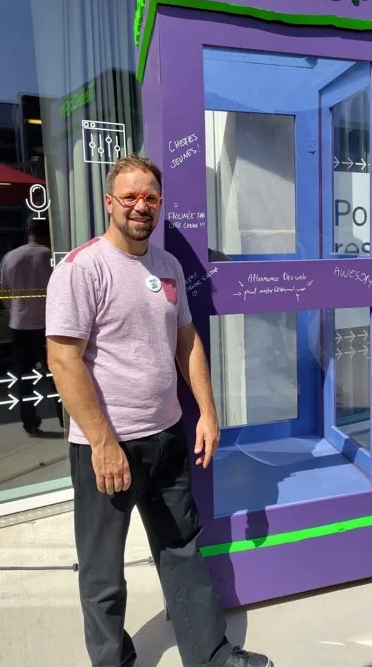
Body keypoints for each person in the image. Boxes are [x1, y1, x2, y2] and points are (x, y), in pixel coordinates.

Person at [45, 155, 272, 667]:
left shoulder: (167, 266)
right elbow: (63, 359)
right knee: (103, 574)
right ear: (109, 202)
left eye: (150, 197)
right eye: (129, 196)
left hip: (167, 435)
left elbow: (187, 342)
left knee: (183, 550)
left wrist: (207, 412)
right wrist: (103, 444)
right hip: (108, 447)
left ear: (160, 203)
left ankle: (210, 655)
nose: (140, 206)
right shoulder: (83, 268)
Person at [0, 215, 61, 435]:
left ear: (29, 232)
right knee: (58, 375)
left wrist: (14, 311)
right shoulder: (52, 257)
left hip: (20, 325)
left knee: (24, 378)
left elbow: (4, 292)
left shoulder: (10, 257)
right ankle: (66, 419)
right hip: (49, 325)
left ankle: (30, 423)